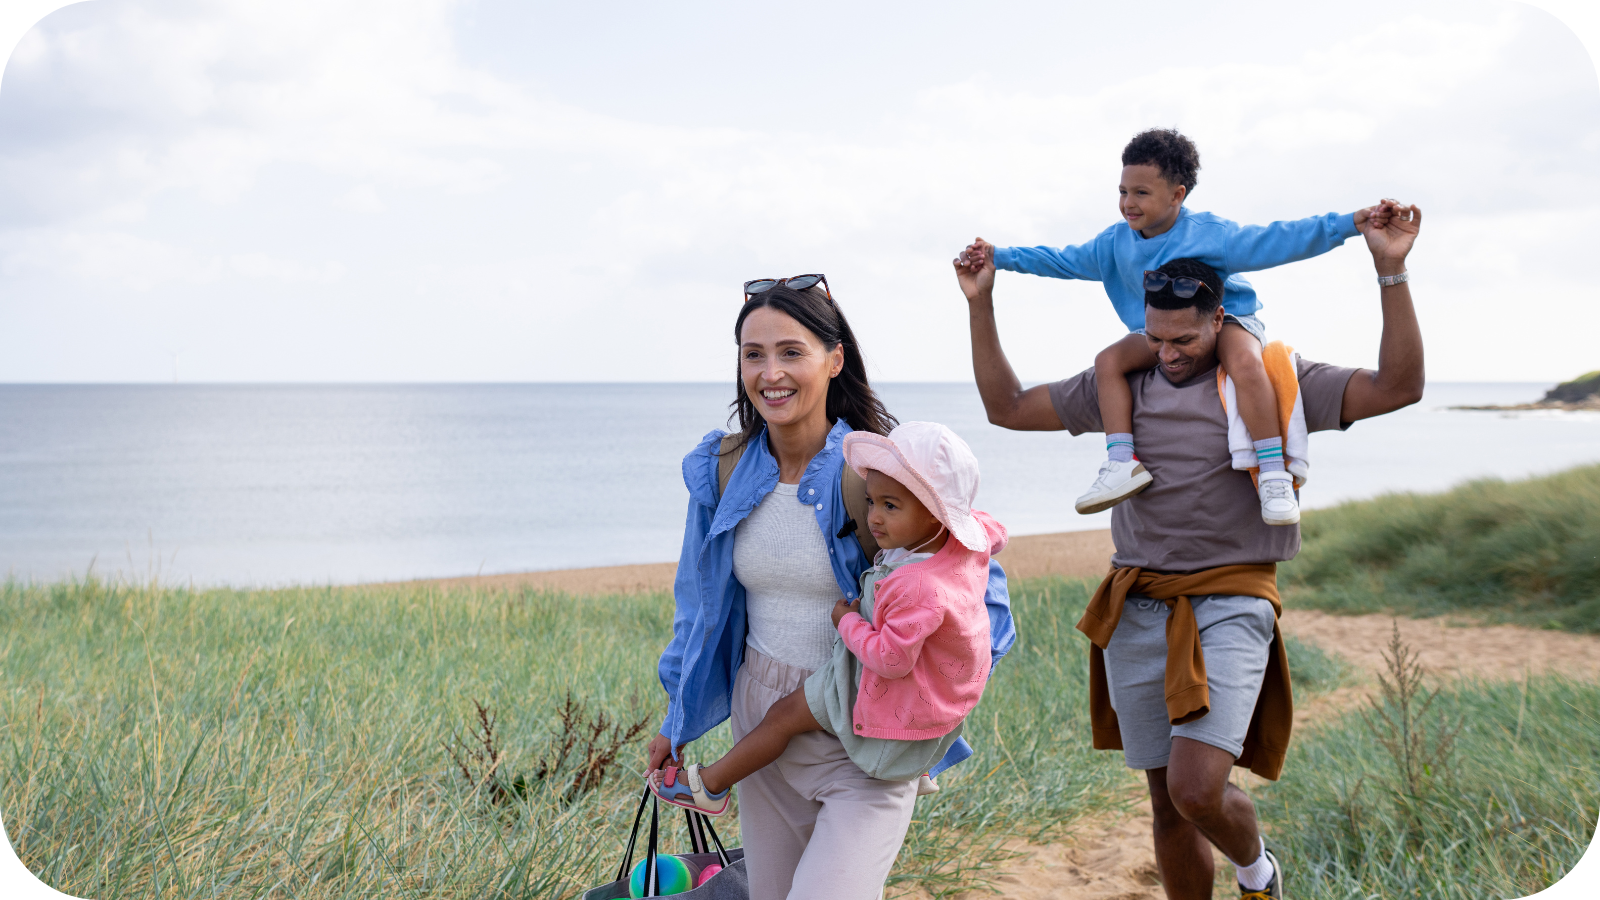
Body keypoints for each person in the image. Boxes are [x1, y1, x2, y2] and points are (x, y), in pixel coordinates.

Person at [956, 205, 1425, 900]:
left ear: (1219, 321)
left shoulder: (1275, 378)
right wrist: (982, 304)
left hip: (1234, 601)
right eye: (1156, 339)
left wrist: (1391, 270)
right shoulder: (1122, 384)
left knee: (1197, 789)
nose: (1169, 353)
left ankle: (1258, 871)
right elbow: (1009, 407)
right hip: (1138, 607)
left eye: (1184, 340)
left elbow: (1399, 387)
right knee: (1167, 806)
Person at [648, 275, 1017, 900]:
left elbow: (983, 610)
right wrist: (676, 719)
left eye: (792, 352)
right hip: (759, 720)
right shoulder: (723, 469)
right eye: (754, 354)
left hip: (863, 730)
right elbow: (699, 606)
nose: (771, 373)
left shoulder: (878, 472)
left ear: (834, 358)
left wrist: (922, 700)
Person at [959, 127, 1389, 526]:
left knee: (1244, 361)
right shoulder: (1112, 244)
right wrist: (1001, 256)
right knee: (1108, 360)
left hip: (1231, 318)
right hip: (1160, 333)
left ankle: (1273, 470)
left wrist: (1350, 223)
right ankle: (1121, 460)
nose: (1129, 202)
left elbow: (1283, 237)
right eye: (1124, 191)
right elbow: (1059, 259)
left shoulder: (1210, 234)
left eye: (1142, 192)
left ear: (1177, 195)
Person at [648, 421, 1007, 816]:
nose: (874, 518)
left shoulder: (919, 585)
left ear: (938, 513)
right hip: (915, 696)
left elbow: (891, 658)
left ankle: (710, 785)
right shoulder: (956, 551)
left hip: (864, 681)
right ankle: (910, 753)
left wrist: (847, 623)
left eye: (890, 506)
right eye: (871, 502)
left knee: (782, 718)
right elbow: (990, 538)